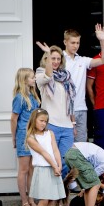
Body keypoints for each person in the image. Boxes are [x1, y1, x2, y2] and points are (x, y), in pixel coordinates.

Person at [35, 44, 76, 179]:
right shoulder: (41, 73)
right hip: (51, 125)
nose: (56, 62)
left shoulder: (66, 76)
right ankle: (50, 195)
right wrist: (47, 55)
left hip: (67, 127)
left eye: (58, 59)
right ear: (47, 59)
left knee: (65, 162)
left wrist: (73, 123)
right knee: (50, 161)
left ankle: (61, 193)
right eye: (52, 58)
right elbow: (48, 76)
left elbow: (70, 101)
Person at [63, 24, 104, 142]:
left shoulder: (82, 60)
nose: (76, 46)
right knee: (65, 146)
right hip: (64, 109)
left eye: (78, 43)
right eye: (73, 42)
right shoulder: (59, 59)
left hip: (81, 109)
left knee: (81, 146)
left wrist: (102, 40)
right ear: (65, 42)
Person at [26, 108, 66, 206]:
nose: (43, 123)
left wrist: (59, 165)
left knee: (51, 200)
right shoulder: (31, 138)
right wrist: (55, 166)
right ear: (34, 120)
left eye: (46, 121)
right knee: (43, 200)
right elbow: (44, 153)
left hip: (53, 168)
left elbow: (55, 150)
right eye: (41, 120)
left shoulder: (50, 133)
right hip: (43, 169)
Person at [11, 68, 40, 206]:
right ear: (24, 80)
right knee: (23, 169)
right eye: (32, 77)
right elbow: (13, 119)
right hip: (23, 134)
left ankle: (31, 198)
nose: (34, 79)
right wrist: (14, 137)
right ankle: (24, 201)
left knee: (32, 169)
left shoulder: (33, 96)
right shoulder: (19, 98)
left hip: (33, 134)